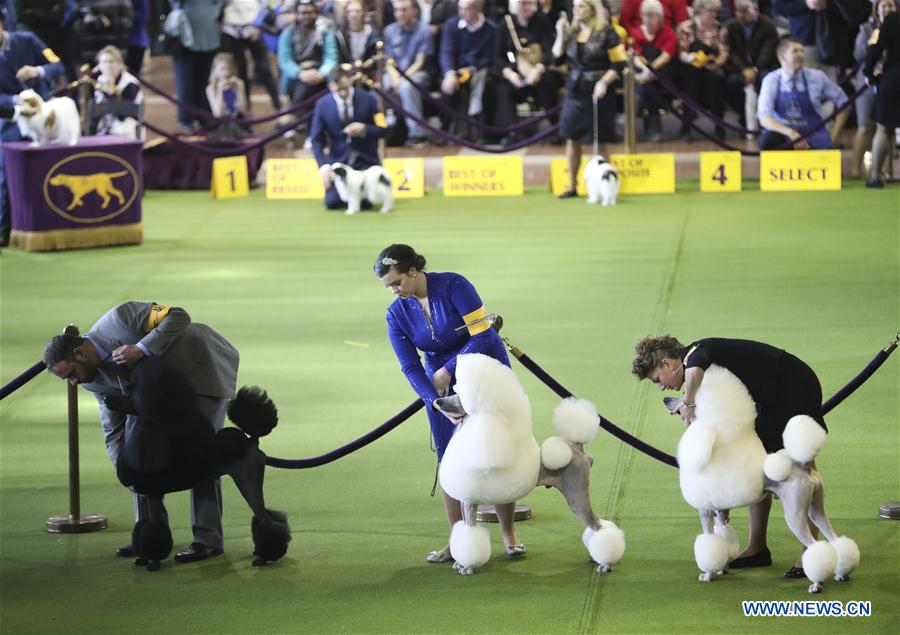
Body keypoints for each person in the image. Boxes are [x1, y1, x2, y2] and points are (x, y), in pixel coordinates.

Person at [43, 302, 240, 564]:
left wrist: (142, 348)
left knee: (202, 451)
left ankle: (208, 539)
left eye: (71, 374)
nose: (73, 382)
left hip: (201, 370)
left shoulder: (121, 318)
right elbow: (113, 427)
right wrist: (125, 469)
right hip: (152, 398)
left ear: (80, 352)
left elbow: (179, 316)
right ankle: (150, 538)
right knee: (137, 457)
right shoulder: (91, 379)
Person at [374, 244, 525, 563]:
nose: (394, 292)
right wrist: (434, 401)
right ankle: (458, 539)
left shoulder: (455, 285)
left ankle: (509, 533)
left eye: (396, 283)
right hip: (440, 386)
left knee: (496, 448)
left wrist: (448, 369)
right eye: (388, 287)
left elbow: (484, 334)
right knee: (449, 456)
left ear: (413, 272)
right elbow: (409, 366)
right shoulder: (395, 314)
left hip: (484, 368)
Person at [631, 334, 828, 578]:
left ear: (669, 364)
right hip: (767, 397)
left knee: (802, 463)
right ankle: (757, 548)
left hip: (791, 384)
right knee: (758, 462)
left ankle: (809, 553)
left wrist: (688, 403)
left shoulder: (695, 355)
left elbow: (695, 366)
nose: (661, 386)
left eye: (657, 379)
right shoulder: (699, 371)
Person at [0, 7, 65, 247]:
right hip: (10, 121)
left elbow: (57, 63)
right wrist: (15, 102)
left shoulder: (28, 39)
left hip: (46, 118)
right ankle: (3, 229)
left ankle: (57, 224)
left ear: (2, 24)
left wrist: (39, 70)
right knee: (5, 174)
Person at [552, 0, 625, 198]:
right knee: (571, 137)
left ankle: (606, 187)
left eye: (581, 6)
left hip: (598, 90)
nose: (576, 9)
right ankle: (571, 185)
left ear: (593, 9)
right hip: (575, 90)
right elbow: (557, 58)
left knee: (600, 139)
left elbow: (619, 64)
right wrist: (560, 33)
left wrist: (604, 83)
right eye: (575, 6)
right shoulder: (572, 31)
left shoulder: (607, 31)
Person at [310, 65, 391, 209]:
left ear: (350, 80)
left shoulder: (369, 99)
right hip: (339, 164)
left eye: (344, 87)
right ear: (330, 86)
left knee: (367, 203)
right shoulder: (322, 105)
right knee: (332, 203)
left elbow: (383, 129)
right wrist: (323, 167)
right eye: (337, 88)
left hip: (365, 164)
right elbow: (316, 140)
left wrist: (364, 129)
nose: (342, 92)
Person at [757, 35, 849, 150]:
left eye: (802, 51)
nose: (800, 55)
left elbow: (844, 103)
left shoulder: (817, 77)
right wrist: (791, 134)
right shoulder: (771, 80)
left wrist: (833, 136)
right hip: (785, 136)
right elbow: (764, 118)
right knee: (767, 140)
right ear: (782, 57)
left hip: (815, 136)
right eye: (795, 51)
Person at [493, 0, 557, 145]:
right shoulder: (505, 24)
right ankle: (511, 131)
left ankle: (555, 128)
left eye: (529, 3)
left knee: (549, 82)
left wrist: (538, 70)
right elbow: (497, 56)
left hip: (538, 71)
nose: (526, 7)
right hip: (514, 72)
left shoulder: (542, 22)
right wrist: (509, 73)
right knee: (502, 88)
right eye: (523, 4)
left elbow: (548, 51)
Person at [438, 0, 498, 136]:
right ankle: (444, 129)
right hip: (455, 70)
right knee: (447, 85)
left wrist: (472, 69)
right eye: (460, 9)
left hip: (480, 70)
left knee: (489, 84)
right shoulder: (451, 25)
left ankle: (483, 132)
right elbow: (446, 52)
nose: (462, 13)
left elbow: (491, 57)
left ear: (477, 10)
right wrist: (450, 73)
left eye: (466, 9)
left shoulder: (491, 28)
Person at [852, 0, 896, 179]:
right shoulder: (866, 29)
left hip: (889, 81)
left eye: (891, 6)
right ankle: (856, 168)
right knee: (864, 127)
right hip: (867, 83)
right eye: (883, 6)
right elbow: (858, 55)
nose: (887, 9)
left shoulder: (896, 26)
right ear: (876, 9)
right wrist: (871, 43)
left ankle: (886, 171)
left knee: (887, 127)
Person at [676, 0, 729, 141]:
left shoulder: (720, 28)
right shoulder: (686, 28)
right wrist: (690, 58)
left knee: (715, 83)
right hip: (691, 68)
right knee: (690, 86)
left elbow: (723, 52)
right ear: (700, 11)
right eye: (710, 11)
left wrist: (714, 63)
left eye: (715, 11)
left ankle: (719, 126)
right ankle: (686, 127)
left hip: (711, 68)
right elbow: (681, 52)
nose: (714, 14)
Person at [382, 0, 434, 145]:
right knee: (380, 86)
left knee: (407, 87)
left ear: (414, 11)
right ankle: (386, 131)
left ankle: (416, 134)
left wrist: (403, 79)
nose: (400, 14)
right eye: (397, 10)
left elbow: (419, 62)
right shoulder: (389, 31)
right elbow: (387, 61)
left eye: (404, 10)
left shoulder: (424, 30)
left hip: (417, 74)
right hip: (394, 74)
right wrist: (395, 79)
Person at [723, 0, 779, 134]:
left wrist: (755, 69)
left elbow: (769, 51)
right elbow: (730, 52)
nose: (741, 15)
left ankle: (765, 118)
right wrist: (744, 69)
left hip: (763, 66)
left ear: (755, 9)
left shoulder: (768, 25)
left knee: (767, 81)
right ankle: (744, 117)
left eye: (745, 11)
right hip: (739, 69)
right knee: (731, 84)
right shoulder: (730, 26)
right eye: (738, 11)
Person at [628, 0, 678, 142]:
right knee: (645, 86)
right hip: (641, 72)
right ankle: (653, 127)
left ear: (660, 17)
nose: (648, 19)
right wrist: (645, 70)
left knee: (648, 87)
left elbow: (666, 55)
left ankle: (650, 124)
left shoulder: (668, 32)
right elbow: (634, 55)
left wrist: (651, 71)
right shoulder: (635, 33)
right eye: (645, 15)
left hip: (661, 72)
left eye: (652, 15)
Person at [170, 0, 222, 132]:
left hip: (208, 33)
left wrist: (214, 12)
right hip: (184, 35)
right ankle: (186, 120)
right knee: (185, 83)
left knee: (203, 81)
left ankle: (203, 116)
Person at [221, 0, 282, 112]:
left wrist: (258, 24)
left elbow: (267, 4)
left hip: (252, 27)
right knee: (240, 71)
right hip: (231, 29)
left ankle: (278, 108)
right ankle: (245, 111)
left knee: (264, 68)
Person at [277, 0, 337, 108]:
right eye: (303, 13)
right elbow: (285, 61)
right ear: (297, 14)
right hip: (296, 76)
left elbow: (331, 58)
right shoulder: (288, 33)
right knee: (303, 87)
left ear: (316, 13)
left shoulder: (325, 31)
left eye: (310, 13)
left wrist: (321, 74)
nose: (306, 16)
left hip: (320, 76)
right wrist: (300, 74)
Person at [865, 7, 900, 187]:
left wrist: (868, 73)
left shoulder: (892, 20)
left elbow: (876, 48)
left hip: (893, 78)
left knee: (883, 128)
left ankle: (876, 177)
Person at [93, 45, 144, 139]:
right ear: (99, 66)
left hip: (127, 132)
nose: (108, 65)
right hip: (105, 130)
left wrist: (110, 90)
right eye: (104, 62)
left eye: (111, 61)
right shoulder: (101, 80)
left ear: (120, 64)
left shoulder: (130, 83)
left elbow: (122, 115)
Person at [205, 52, 251, 138]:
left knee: (236, 128)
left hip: (237, 121)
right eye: (222, 69)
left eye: (229, 69)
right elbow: (218, 114)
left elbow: (244, 110)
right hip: (220, 124)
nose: (226, 72)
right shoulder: (211, 88)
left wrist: (239, 89)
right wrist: (220, 91)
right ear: (215, 70)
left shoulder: (239, 83)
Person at [335, 0, 381, 72]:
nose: (354, 15)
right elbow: (338, 60)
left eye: (357, 11)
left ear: (363, 12)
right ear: (345, 14)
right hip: (347, 73)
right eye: (349, 11)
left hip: (369, 72)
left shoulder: (373, 33)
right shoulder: (340, 36)